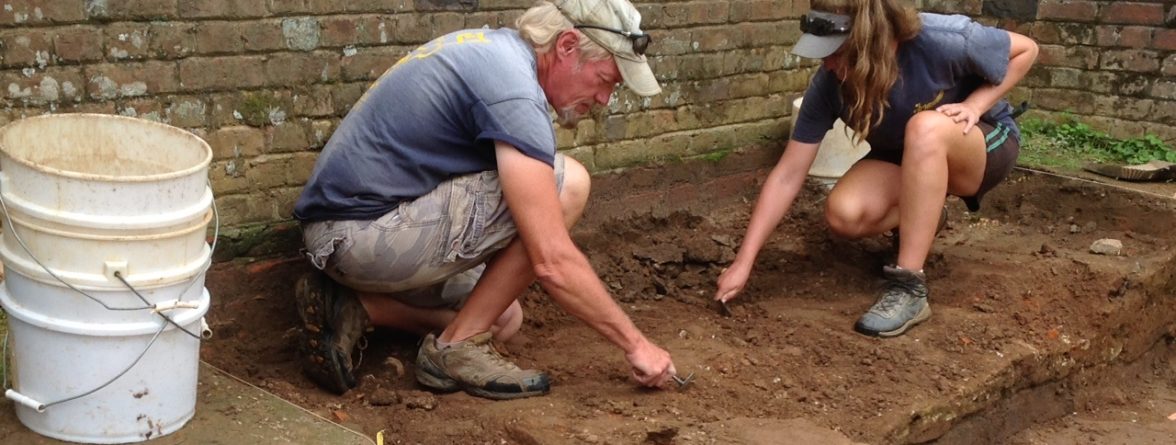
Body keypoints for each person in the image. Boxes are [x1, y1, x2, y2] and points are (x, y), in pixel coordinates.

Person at [290, 0, 677, 400]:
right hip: (358, 235)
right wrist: (636, 344)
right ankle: (454, 348)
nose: (604, 100)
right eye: (606, 80)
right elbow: (551, 258)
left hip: (354, 234)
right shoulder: (512, 90)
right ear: (566, 46)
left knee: (504, 317)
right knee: (568, 184)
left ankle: (362, 307)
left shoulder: (498, 52)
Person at [714, 0, 1038, 337]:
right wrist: (743, 262)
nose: (826, 64)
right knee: (844, 213)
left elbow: (1026, 50)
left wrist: (975, 104)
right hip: (908, 158)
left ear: (869, 41)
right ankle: (928, 215)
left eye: (835, 53)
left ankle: (910, 288)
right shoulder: (829, 86)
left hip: (982, 144)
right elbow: (787, 175)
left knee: (925, 129)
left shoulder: (942, 39)